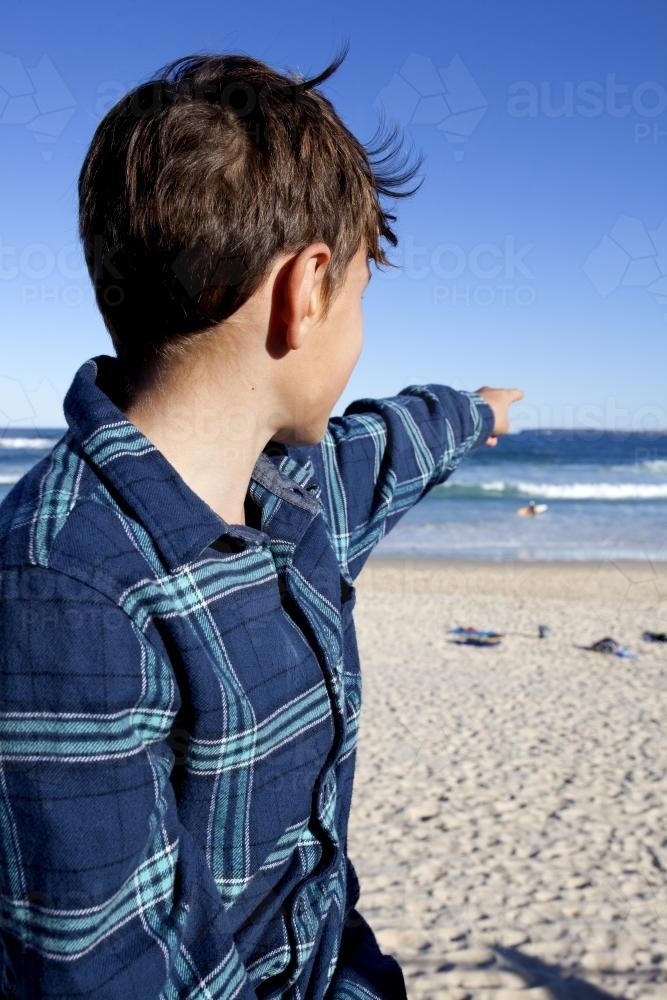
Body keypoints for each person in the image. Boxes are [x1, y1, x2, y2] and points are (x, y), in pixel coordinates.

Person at [0, 52, 522, 999]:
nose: (362, 331)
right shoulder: (63, 592)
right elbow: (107, 971)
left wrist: (478, 411)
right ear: (307, 288)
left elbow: (395, 442)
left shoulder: (296, 495)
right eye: (362, 295)